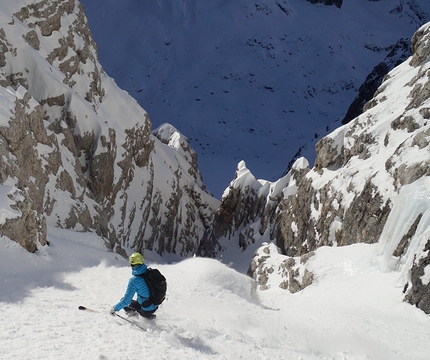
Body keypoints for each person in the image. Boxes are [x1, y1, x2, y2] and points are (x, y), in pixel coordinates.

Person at [110, 252, 158, 319]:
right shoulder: (150, 273)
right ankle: (148, 315)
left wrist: (114, 309)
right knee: (140, 300)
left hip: (146, 308)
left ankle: (136, 318)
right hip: (155, 305)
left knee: (124, 302)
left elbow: (126, 301)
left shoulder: (134, 280)